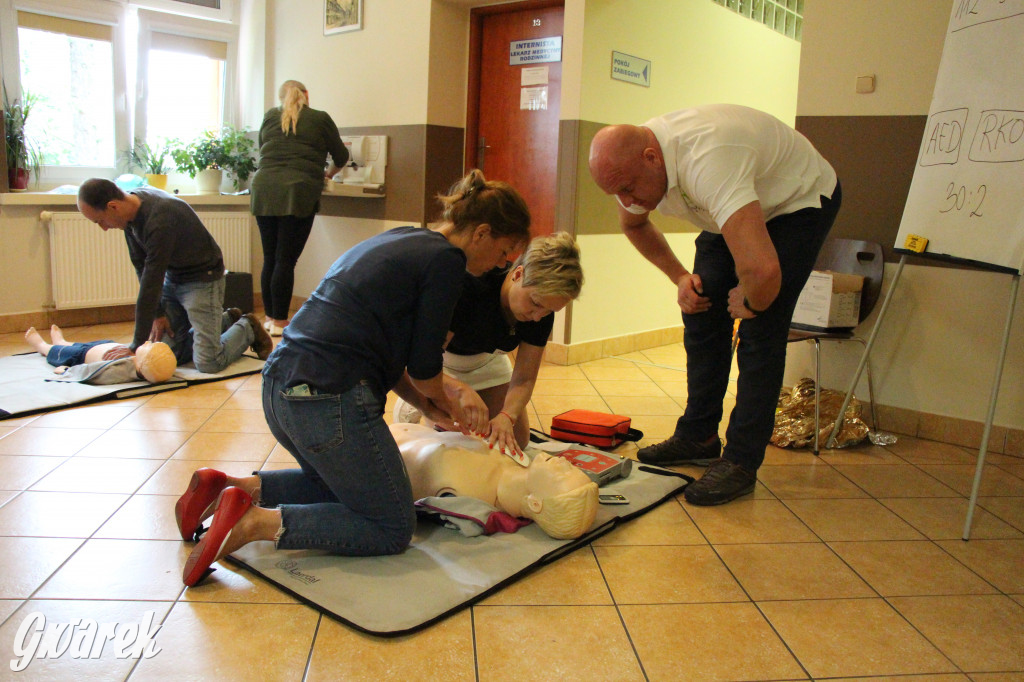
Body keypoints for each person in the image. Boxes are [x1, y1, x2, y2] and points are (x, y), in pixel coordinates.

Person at [176, 169, 533, 586]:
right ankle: (254, 523)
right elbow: (423, 367)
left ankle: (231, 488)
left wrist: (424, 403)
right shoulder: (447, 262)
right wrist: (455, 394)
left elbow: (392, 356)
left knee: (344, 487)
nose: (503, 264)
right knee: (392, 525)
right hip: (326, 399)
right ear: (482, 233)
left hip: (279, 387)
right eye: (505, 251)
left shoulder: (404, 238)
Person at [588, 103, 841, 506]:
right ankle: (698, 435)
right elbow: (634, 224)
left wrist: (754, 302)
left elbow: (763, 271)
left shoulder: (710, 161)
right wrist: (679, 278)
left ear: (652, 158)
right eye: (616, 192)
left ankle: (741, 460)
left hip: (798, 202)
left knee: (761, 331)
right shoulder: (635, 167)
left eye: (628, 188)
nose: (626, 199)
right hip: (731, 211)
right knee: (701, 304)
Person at [394, 232, 584, 455]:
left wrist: (507, 416)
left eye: (549, 310)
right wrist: (457, 390)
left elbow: (524, 377)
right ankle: (412, 402)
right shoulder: (470, 289)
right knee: (448, 446)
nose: (537, 317)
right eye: (535, 303)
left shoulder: (541, 314)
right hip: (439, 364)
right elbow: (422, 362)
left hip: (486, 361)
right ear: (518, 274)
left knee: (515, 442)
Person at [76, 178, 273, 374]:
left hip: (203, 279)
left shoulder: (159, 217)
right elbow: (141, 267)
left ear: (113, 206)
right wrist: (158, 313)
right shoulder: (129, 213)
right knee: (170, 354)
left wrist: (136, 345)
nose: (103, 227)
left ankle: (247, 327)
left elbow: (151, 283)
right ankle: (227, 319)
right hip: (174, 277)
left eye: (99, 221)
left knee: (209, 363)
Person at [251, 80, 350, 337]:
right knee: (286, 259)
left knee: (270, 257)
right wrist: (328, 174)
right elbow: (341, 156)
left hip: (263, 189)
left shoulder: (270, 116)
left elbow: (263, 148)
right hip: (297, 191)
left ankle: (271, 318)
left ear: (281, 97)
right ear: (307, 95)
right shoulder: (319, 118)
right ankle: (282, 322)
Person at [392, 423, 599, 540]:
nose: (564, 461)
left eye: (564, 474)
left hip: (378, 441)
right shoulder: (518, 460)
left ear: (536, 503)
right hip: (415, 427)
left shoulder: (471, 491)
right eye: (573, 467)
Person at [25, 324, 177, 384]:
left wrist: (66, 371)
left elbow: (90, 373)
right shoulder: (141, 363)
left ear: (143, 362)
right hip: (104, 345)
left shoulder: (119, 370)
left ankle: (42, 345)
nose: (145, 343)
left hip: (78, 356)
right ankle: (62, 341)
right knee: (73, 345)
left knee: (55, 352)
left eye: (147, 347)